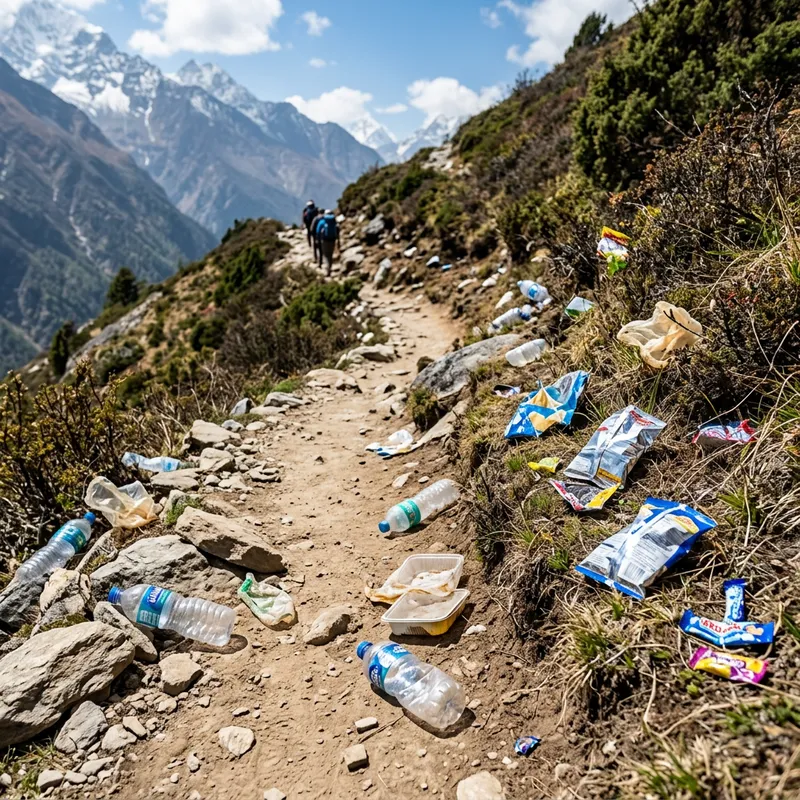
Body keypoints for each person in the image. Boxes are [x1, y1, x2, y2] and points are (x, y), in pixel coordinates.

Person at [316, 210, 340, 277]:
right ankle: (330, 267)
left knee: (326, 255)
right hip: (332, 240)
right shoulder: (334, 222)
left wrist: (318, 240)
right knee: (330, 255)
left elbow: (317, 231)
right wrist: (338, 241)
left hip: (325, 240)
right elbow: (338, 231)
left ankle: (328, 269)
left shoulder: (322, 222)